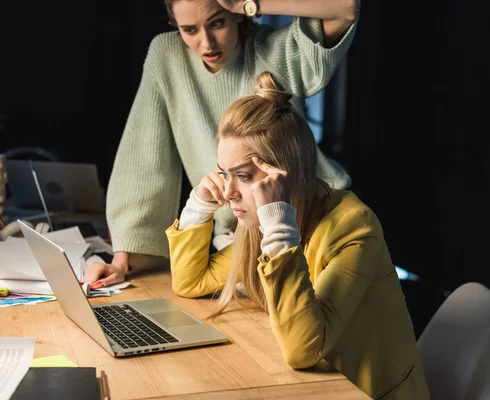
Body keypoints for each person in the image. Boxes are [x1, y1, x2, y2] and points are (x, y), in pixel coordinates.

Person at [166, 71, 431, 400]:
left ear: (283, 177)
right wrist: (197, 207)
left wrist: (277, 225)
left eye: (243, 176)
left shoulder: (353, 226)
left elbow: (303, 349)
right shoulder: (258, 227)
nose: (228, 192)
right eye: (223, 174)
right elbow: (190, 282)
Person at [83, 0, 360, 289]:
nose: (206, 43)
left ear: (238, 15)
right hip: (242, 236)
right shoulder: (168, 55)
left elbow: (345, 7)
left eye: (217, 23)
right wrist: (122, 261)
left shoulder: (271, 49)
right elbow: (143, 157)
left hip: (316, 222)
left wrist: (251, 2)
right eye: (189, 30)